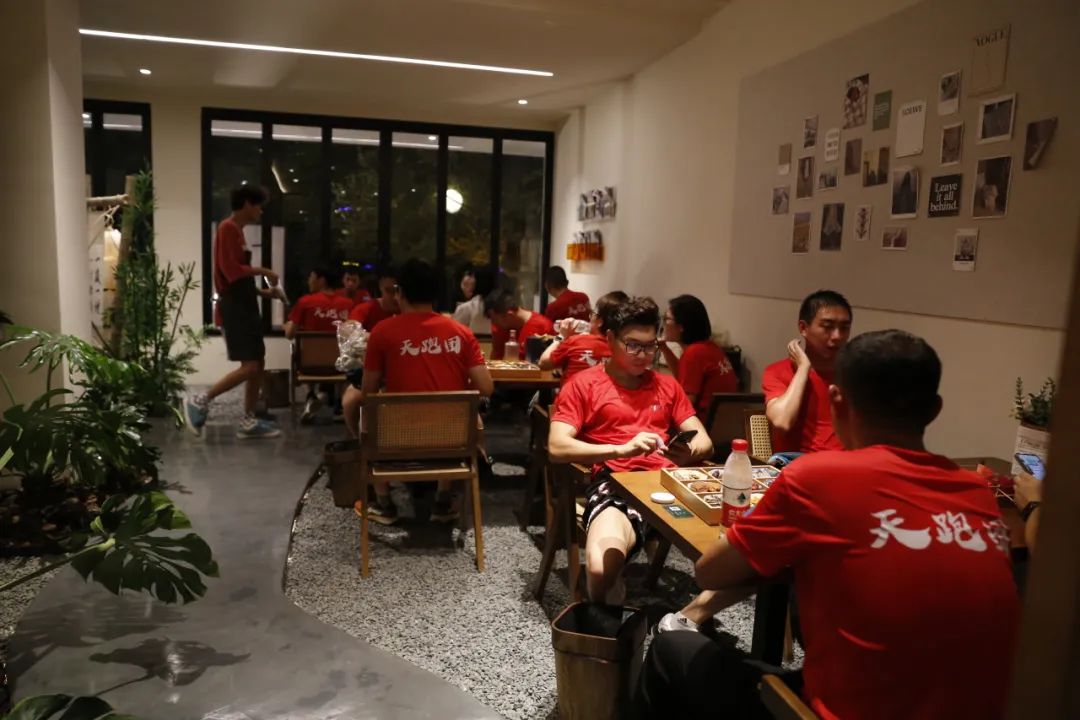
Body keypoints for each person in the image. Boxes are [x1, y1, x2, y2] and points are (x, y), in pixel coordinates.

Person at [636, 330, 1020, 720]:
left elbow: (710, 572)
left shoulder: (816, 477)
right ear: (935, 409)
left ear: (836, 400)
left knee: (670, 648)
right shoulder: (979, 492)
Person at [548, 297, 713, 604]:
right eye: (633, 345)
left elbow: (704, 440)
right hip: (616, 484)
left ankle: (690, 618)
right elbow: (557, 446)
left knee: (739, 553)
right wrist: (620, 450)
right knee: (600, 570)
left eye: (650, 347)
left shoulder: (667, 385)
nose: (643, 355)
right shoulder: (584, 384)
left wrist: (688, 452)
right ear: (610, 339)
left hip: (669, 485)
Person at [344, 259, 494, 524]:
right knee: (458, 414)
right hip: (451, 443)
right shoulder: (461, 333)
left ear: (400, 292)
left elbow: (368, 391)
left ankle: (384, 504)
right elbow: (486, 387)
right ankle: (442, 500)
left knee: (367, 414)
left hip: (396, 441)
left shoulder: (382, 332)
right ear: (436, 294)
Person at [184, 185, 283, 439]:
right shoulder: (227, 228)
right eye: (258, 205)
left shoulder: (237, 231)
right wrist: (264, 271)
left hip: (245, 305)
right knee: (250, 366)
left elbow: (239, 279)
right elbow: (231, 272)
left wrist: (264, 293)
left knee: (258, 363)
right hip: (235, 309)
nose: (261, 211)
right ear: (248, 204)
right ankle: (200, 399)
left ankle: (248, 420)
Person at [763, 290, 852, 457]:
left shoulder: (854, 374)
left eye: (844, 328)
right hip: (797, 463)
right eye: (827, 327)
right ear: (803, 328)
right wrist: (803, 368)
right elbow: (782, 421)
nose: (837, 336)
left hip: (846, 464)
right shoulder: (778, 371)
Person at [284, 266, 354, 422]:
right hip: (339, 367)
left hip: (309, 367)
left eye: (311, 277)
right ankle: (339, 403)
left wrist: (286, 326)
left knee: (302, 351)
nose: (309, 281)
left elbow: (289, 334)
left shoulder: (305, 302)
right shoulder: (348, 304)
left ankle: (310, 395)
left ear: (321, 280)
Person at [659, 295, 738, 420]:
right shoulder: (709, 347)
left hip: (705, 424)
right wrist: (664, 348)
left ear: (681, 326)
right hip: (723, 422)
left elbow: (686, 405)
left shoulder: (694, 353)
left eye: (666, 319)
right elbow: (683, 376)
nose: (663, 324)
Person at [539, 291, 627, 386]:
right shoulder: (625, 350)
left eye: (592, 314)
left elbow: (543, 363)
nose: (589, 318)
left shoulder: (576, 342)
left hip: (573, 394)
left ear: (599, 321)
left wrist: (561, 336)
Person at [485, 288, 554, 360]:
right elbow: (496, 354)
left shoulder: (542, 327)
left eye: (494, 320)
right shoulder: (499, 328)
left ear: (509, 315)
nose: (494, 323)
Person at [348, 266, 400, 332]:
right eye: (390, 291)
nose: (396, 297)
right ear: (380, 287)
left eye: (398, 291)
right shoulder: (364, 310)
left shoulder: (408, 311)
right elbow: (348, 332)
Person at [452, 266, 496, 336]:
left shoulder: (467, 307)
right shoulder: (501, 306)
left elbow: (454, 335)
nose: (468, 280)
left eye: (471, 276)